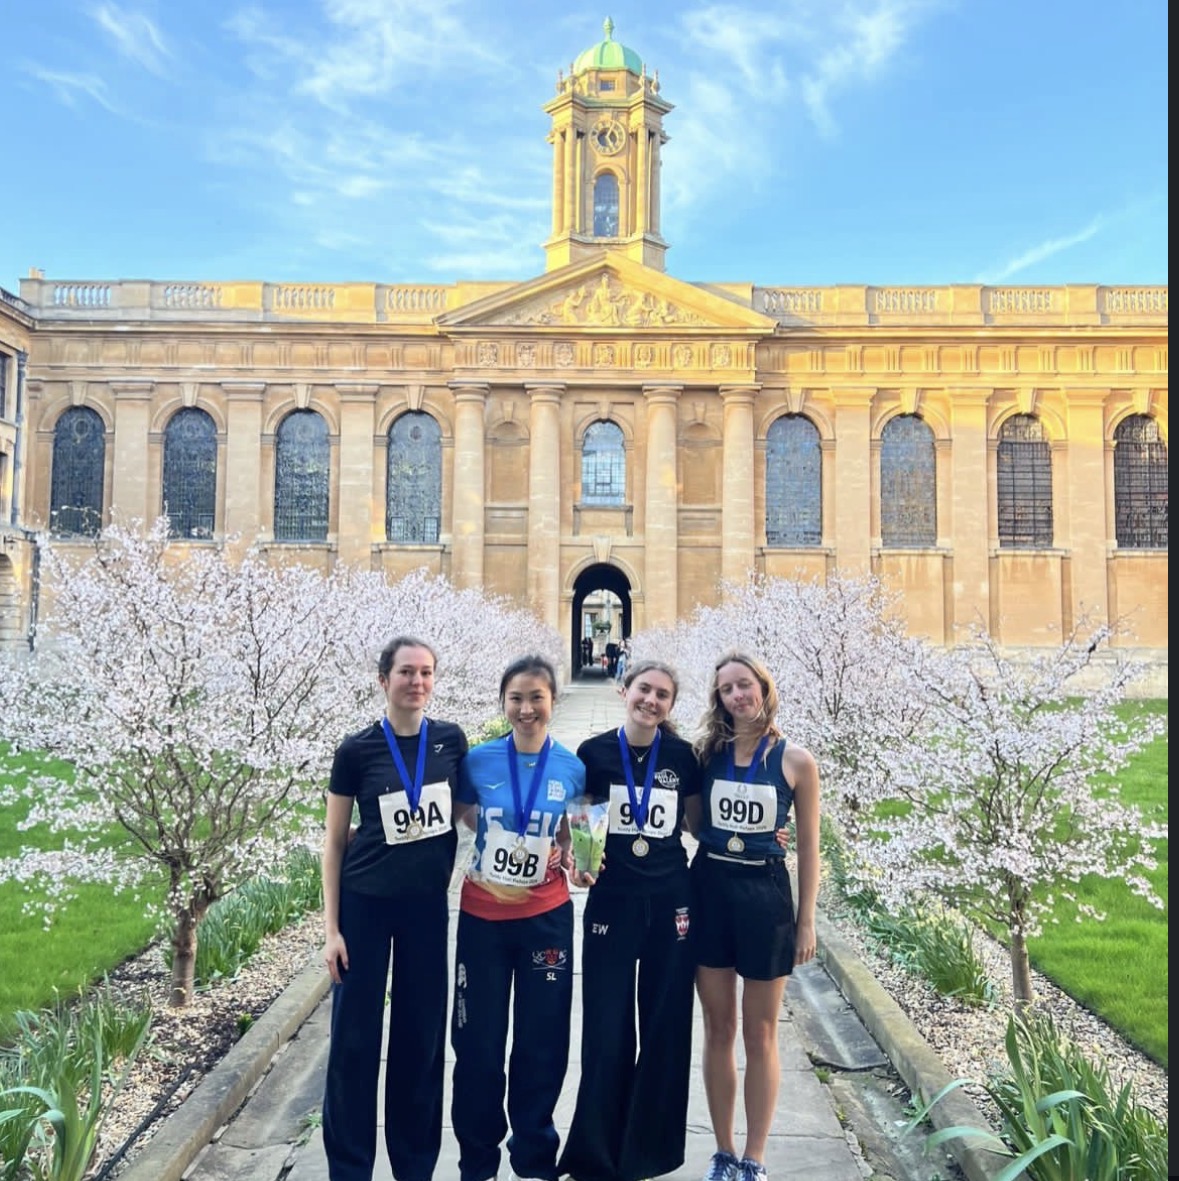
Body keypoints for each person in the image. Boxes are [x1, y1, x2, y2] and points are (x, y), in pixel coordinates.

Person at [320, 636, 470, 1181]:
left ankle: (414, 1166)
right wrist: (331, 929)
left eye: (426, 672)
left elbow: (471, 814)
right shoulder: (356, 750)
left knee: (421, 1042)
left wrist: (550, 835)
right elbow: (335, 842)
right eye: (406, 672)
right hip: (365, 908)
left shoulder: (452, 742)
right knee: (354, 1044)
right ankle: (350, 1167)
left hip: (426, 910)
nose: (417, 682)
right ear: (384, 680)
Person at [558, 659, 703, 1181]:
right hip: (612, 902)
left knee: (665, 1027)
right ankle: (595, 1153)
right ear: (625, 690)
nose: (651, 701)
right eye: (644, 689)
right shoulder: (593, 753)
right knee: (606, 1027)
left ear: (670, 705)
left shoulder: (684, 756)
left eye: (663, 695)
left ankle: (651, 1152)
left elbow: (696, 824)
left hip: (671, 903)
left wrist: (770, 835)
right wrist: (576, 859)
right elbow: (581, 821)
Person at [450, 655, 586, 1181]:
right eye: (516, 698)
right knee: (478, 1046)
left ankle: (534, 1159)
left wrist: (567, 855)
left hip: (547, 918)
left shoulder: (571, 768)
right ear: (503, 703)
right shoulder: (478, 761)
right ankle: (477, 1162)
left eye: (536, 697)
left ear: (552, 701)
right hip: (482, 919)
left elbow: (576, 834)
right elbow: (464, 815)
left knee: (542, 1042)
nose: (526, 708)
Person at [692, 652, 820, 1181]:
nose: (737, 696)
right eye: (727, 689)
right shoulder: (707, 755)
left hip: (765, 897)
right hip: (711, 888)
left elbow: (810, 848)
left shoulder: (797, 761)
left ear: (763, 687)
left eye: (745, 685)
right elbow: (694, 824)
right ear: (718, 699)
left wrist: (806, 919)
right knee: (718, 1028)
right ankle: (723, 1151)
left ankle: (755, 1157)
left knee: (760, 1032)